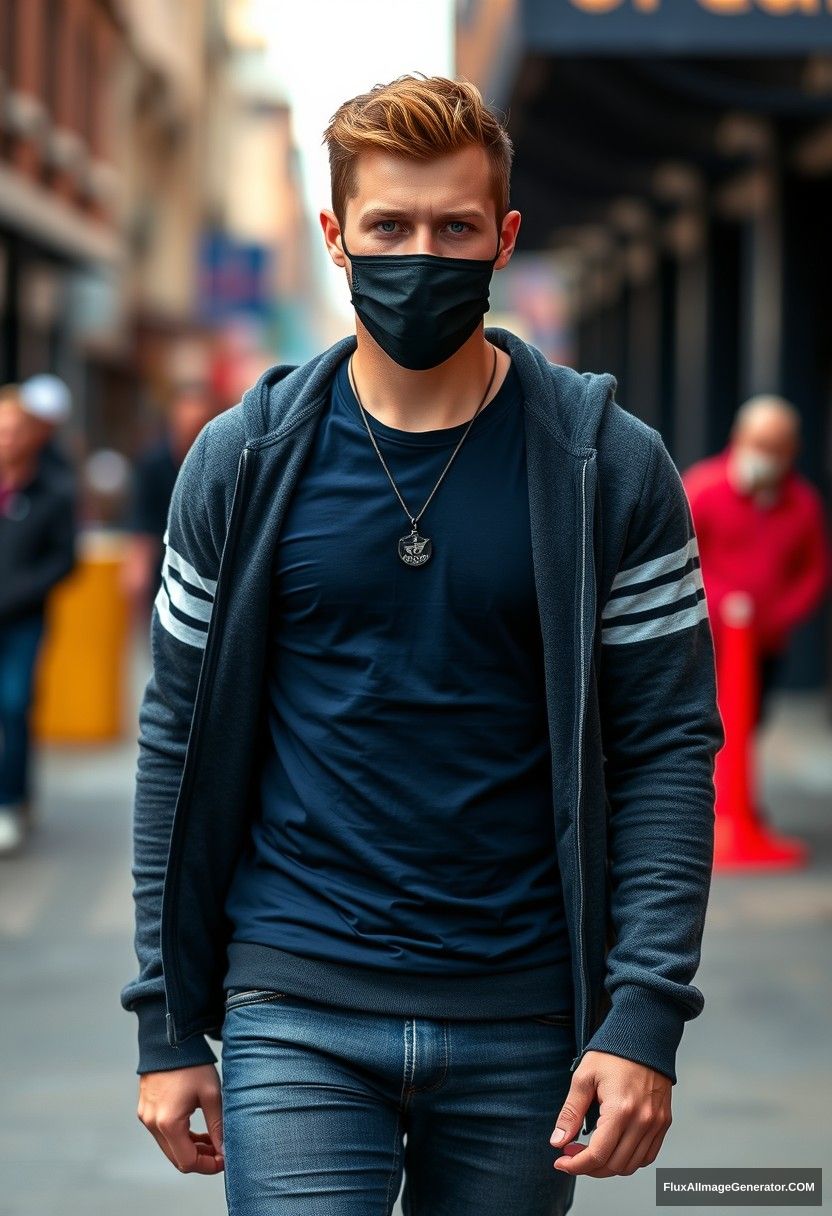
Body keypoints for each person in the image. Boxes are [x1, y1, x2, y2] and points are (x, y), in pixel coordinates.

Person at [122, 75, 725, 1215]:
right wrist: (165, 1017)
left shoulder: (610, 467)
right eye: (389, 227)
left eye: (453, 229)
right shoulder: (241, 462)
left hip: (527, 1019)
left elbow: (665, 747)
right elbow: (175, 739)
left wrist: (643, 1013)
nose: (419, 256)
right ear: (335, 235)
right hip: (293, 1004)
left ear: (502, 240)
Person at [682, 395, 831, 729]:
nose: (769, 456)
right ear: (740, 439)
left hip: (765, 644)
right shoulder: (703, 488)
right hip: (705, 640)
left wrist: (778, 615)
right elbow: (679, 559)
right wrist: (719, 604)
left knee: (750, 722)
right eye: (761, 444)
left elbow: (813, 571)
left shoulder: (804, 504)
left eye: (778, 447)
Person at [0, 376, 77, 855]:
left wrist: (21, 592)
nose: (7, 438)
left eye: (14, 429)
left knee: (13, 703)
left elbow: (64, 559)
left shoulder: (54, 489)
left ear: (32, 434)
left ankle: (12, 800)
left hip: (23, 618)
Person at [121, 381, 217, 623]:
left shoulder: (220, 463)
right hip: (164, 564)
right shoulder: (154, 463)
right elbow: (144, 520)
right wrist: (137, 565)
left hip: (208, 567)